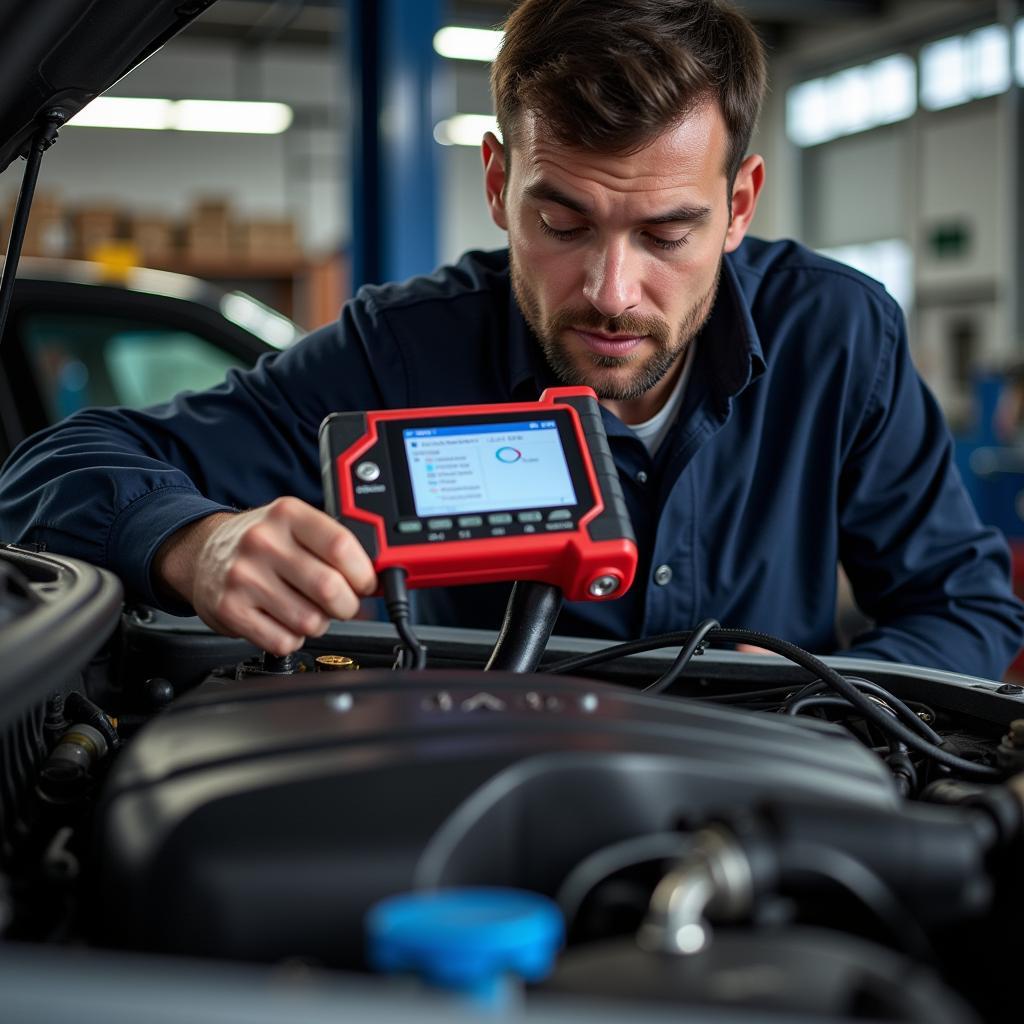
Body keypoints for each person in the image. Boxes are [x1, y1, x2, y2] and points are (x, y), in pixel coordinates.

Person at [0, 0, 1021, 678]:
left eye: (667, 233)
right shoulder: (403, 355)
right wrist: (195, 539)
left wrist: (809, 694)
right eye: (562, 224)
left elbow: (967, 609)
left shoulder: (834, 338)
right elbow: (50, 471)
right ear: (497, 183)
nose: (612, 292)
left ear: (739, 202)